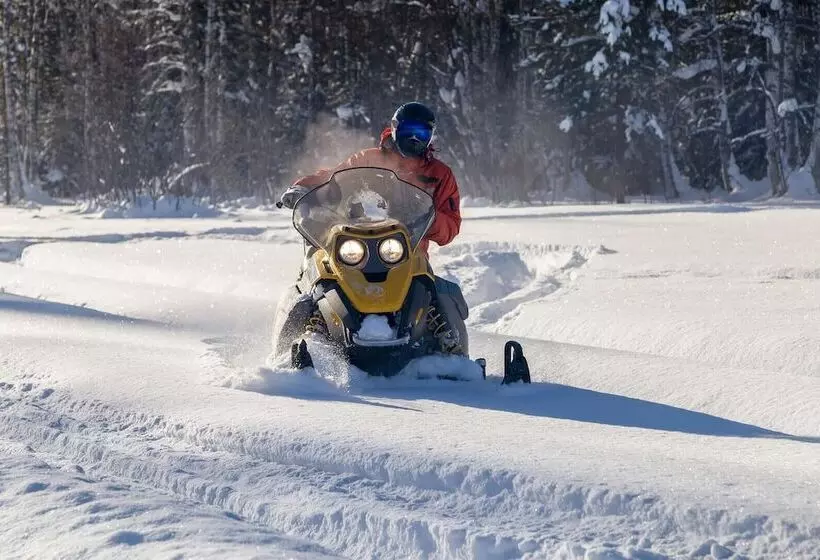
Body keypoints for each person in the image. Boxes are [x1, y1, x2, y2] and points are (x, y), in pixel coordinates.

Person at [279, 102, 461, 255]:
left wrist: (426, 217)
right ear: (395, 128)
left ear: (430, 136)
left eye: (421, 133)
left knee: (435, 292)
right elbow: (333, 177)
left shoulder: (440, 174)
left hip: (408, 253)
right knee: (322, 272)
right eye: (408, 131)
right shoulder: (368, 159)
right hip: (354, 244)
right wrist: (302, 188)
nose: (414, 138)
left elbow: (451, 226)